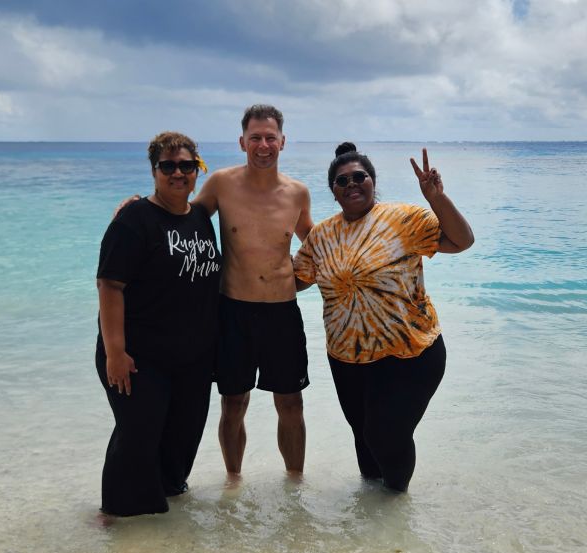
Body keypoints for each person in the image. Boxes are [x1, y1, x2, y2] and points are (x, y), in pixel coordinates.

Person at [293, 142, 474, 492]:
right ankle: (372, 527)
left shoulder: (403, 219)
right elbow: (297, 279)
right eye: (342, 181)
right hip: (347, 359)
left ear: (373, 181)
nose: (352, 185)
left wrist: (436, 197)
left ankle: (396, 513)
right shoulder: (322, 236)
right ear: (333, 192)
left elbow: (461, 241)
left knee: (385, 434)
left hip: (411, 353)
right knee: (364, 442)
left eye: (359, 177)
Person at [95, 131, 221, 516]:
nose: (178, 173)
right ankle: (118, 519)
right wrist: (115, 352)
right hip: (138, 358)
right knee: (137, 440)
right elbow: (110, 284)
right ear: (154, 171)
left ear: (198, 170)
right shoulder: (135, 219)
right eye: (168, 166)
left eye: (187, 165)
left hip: (191, 360)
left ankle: (166, 528)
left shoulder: (199, 217)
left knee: (181, 440)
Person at [193, 105, 313, 477]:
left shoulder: (297, 193)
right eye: (256, 138)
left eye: (270, 137)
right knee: (233, 403)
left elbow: (321, 247)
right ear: (242, 141)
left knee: (291, 403)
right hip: (233, 311)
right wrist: (138, 210)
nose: (264, 145)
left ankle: (295, 483)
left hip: (282, 312)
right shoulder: (221, 184)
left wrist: (302, 282)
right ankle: (233, 480)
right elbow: (181, 222)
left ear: (283, 141)